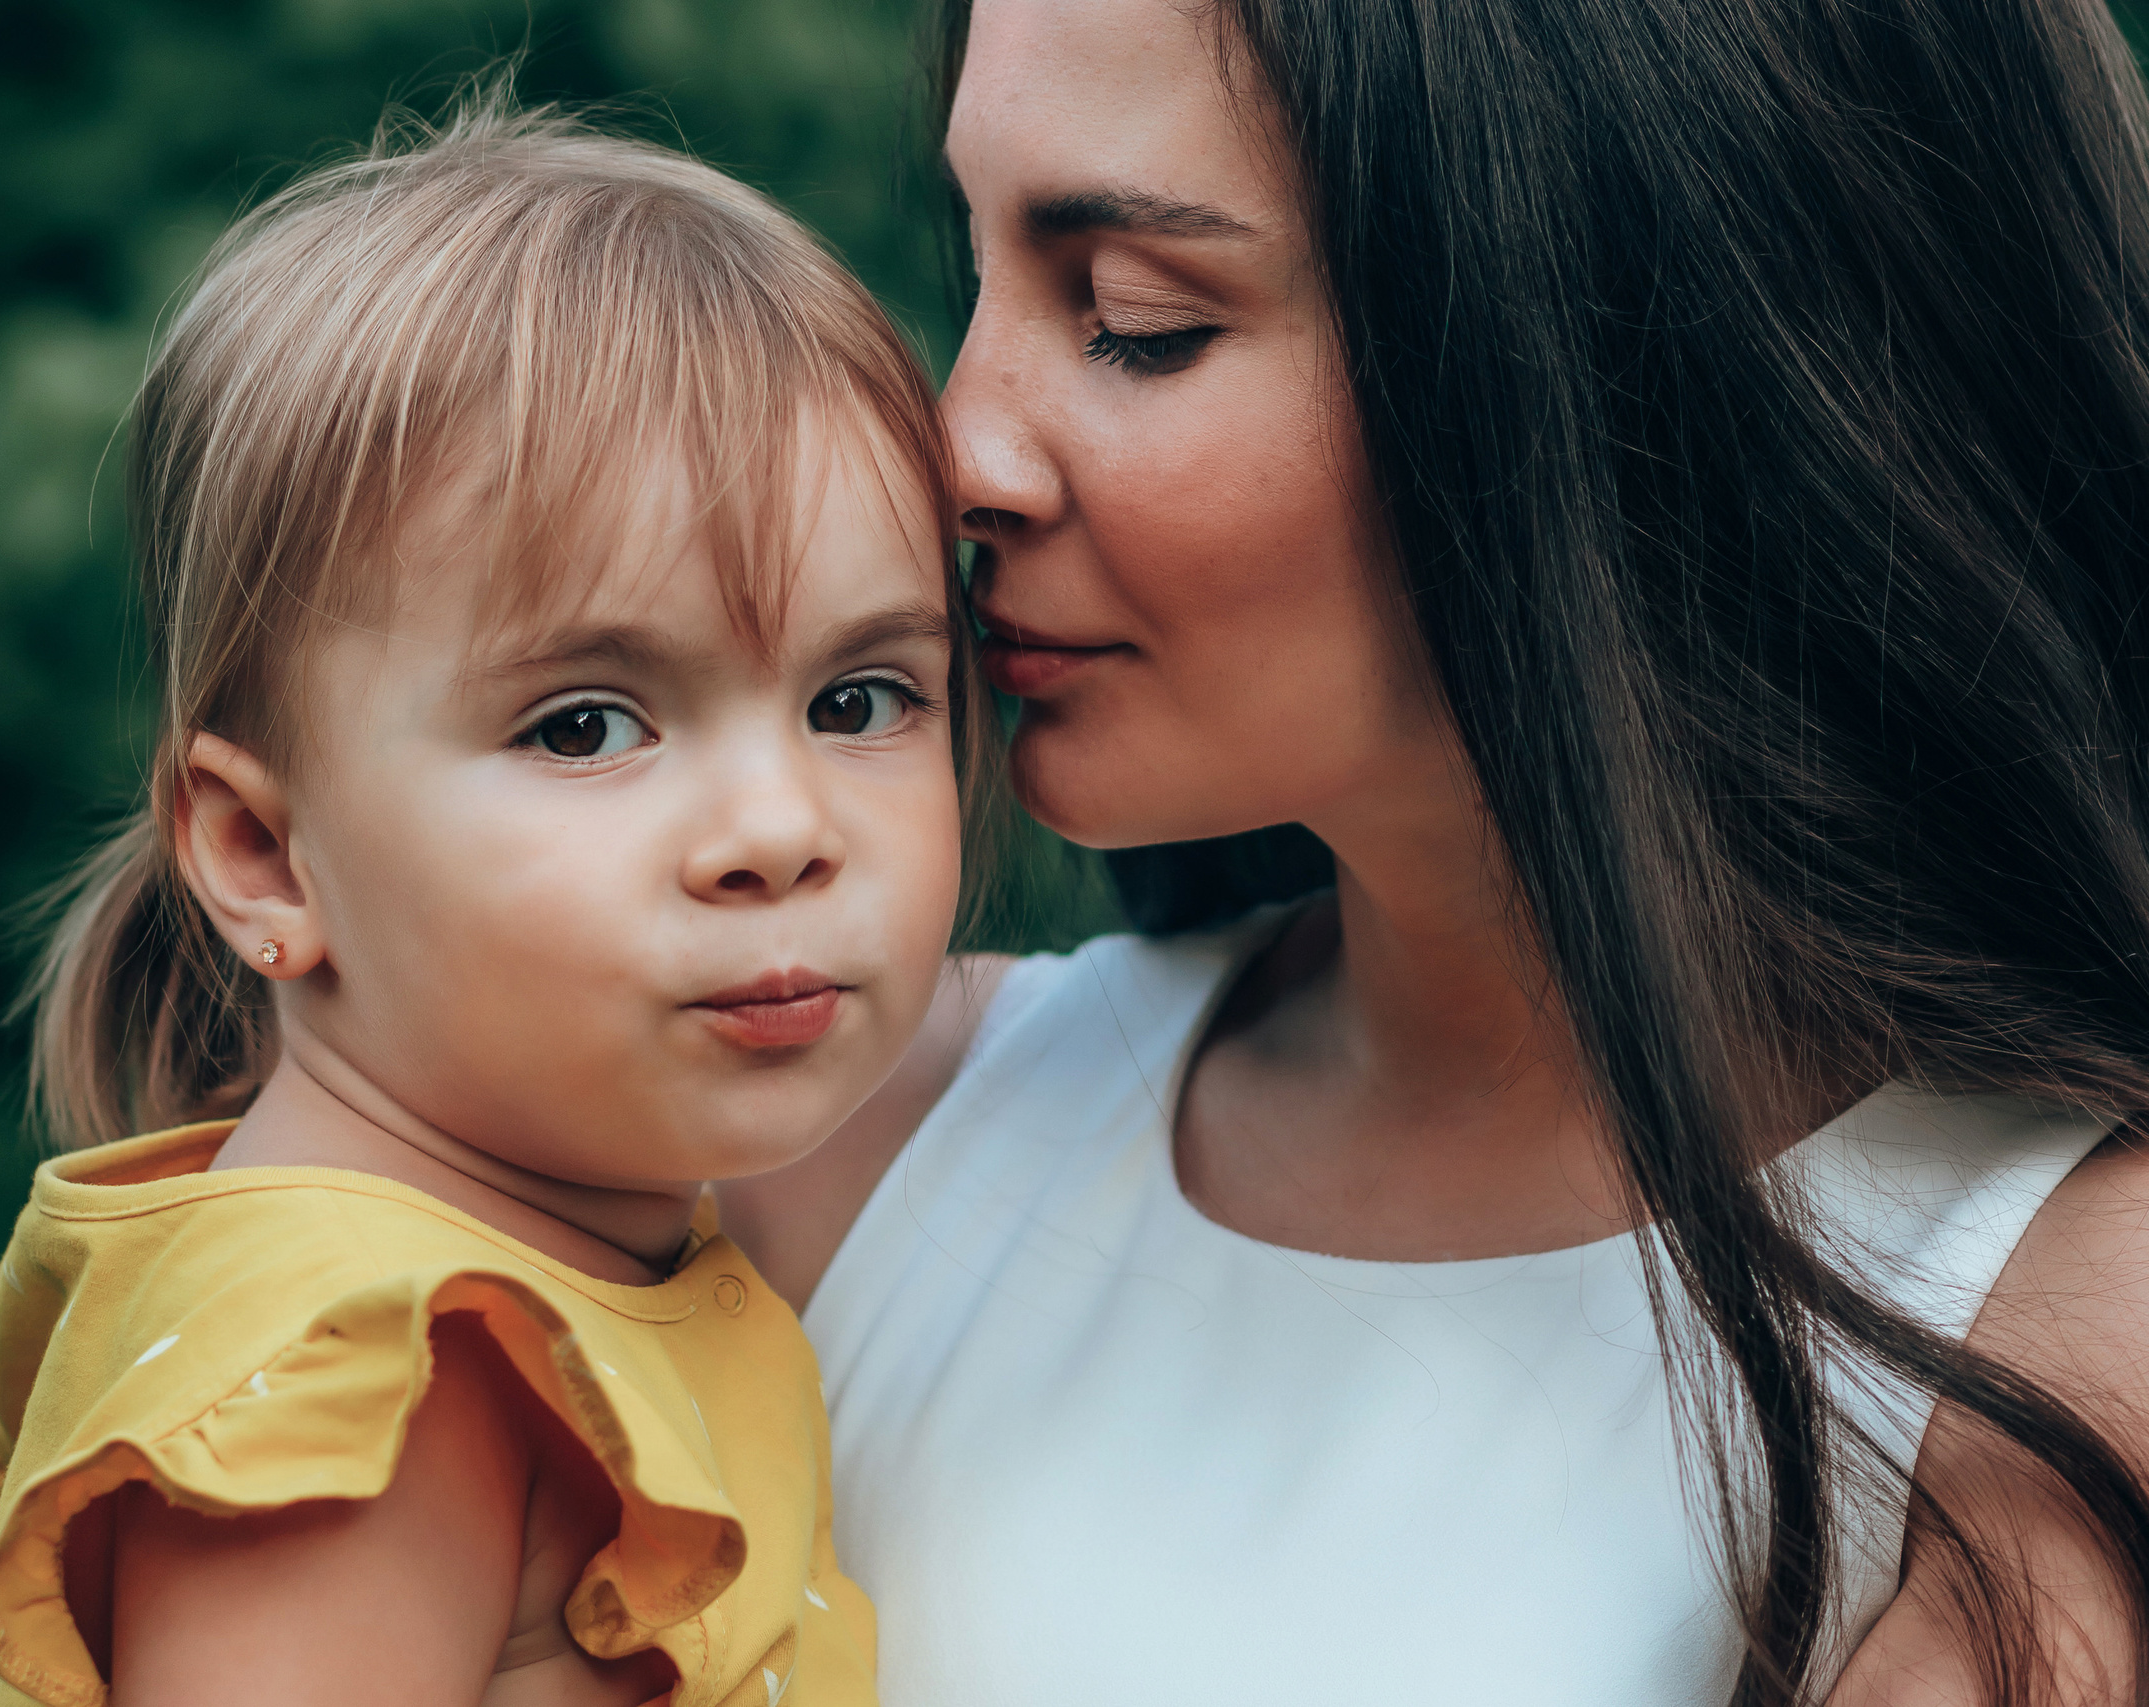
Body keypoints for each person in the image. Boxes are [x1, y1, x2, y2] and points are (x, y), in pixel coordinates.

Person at [723, 0, 2149, 1702]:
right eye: (977, 278)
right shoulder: (821, 1135)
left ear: (1644, 351)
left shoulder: (2057, 1345)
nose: (957, 448)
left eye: (1135, 321)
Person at [0, 94, 989, 1707]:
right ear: (265, 856)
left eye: (859, 700)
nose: (779, 828)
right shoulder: (374, 1382)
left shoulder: (542, 1262)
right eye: (585, 727)